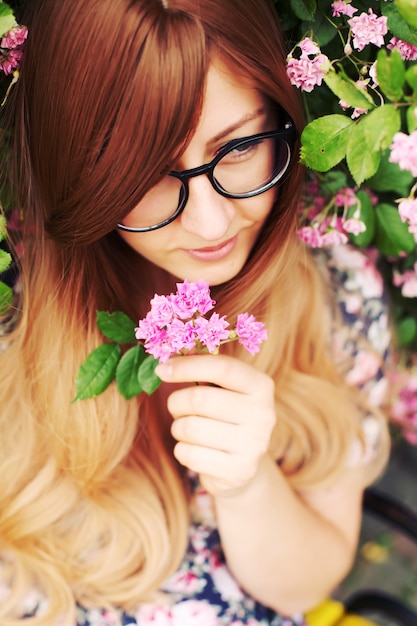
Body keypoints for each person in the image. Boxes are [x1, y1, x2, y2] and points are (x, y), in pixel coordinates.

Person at [0, 0, 392, 624]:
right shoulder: (11, 323)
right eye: (148, 174)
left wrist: (248, 485)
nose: (211, 223)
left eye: (237, 147)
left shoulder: (336, 301)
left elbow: (303, 587)